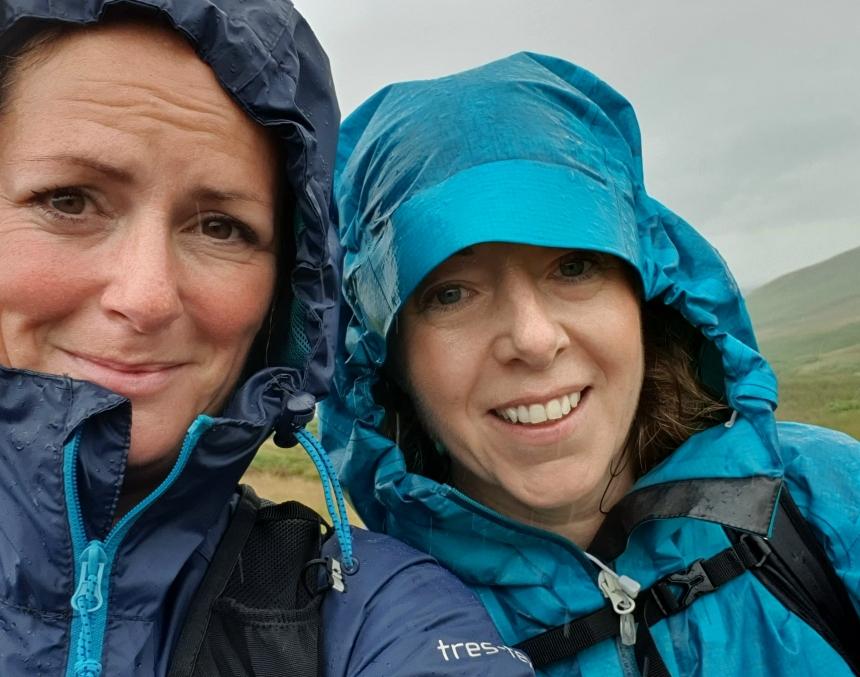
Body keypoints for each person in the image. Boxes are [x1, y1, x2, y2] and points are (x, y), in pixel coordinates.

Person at [0, 3, 538, 676]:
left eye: (221, 227)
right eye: (69, 199)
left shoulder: (365, 611)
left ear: (288, 292)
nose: (145, 297)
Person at [321, 52, 860, 676]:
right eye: (450, 292)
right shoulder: (371, 634)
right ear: (386, 363)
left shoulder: (824, 500)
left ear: (646, 298)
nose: (533, 338)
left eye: (573, 267)